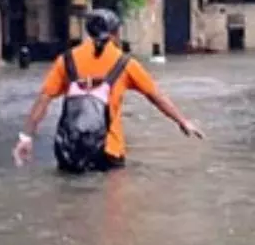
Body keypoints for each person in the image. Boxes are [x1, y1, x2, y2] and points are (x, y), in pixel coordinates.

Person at [13, 9, 203, 172]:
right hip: (109, 150)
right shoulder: (126, 64)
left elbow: (43, 99)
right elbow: (156, 96)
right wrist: (182, 121)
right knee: (111, 201)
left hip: (70, 151)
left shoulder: (67, 60)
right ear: (115, 33)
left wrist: (26, 137)